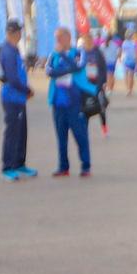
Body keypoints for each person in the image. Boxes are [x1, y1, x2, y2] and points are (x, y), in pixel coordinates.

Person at [46, 27, 95, 177]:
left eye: (60, 37)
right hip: (58, 102)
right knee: (61, 137)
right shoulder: (53, 55)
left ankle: (85, 166)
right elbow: (49, 71)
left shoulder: (78, 52)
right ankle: (63, 166)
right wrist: (66, 69)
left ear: (68, 37)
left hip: (75, 102)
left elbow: (78, 67)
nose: (58, 41)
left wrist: (63, 56)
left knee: (80, 135)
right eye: (56, 38)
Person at [0, 22, 37, 180]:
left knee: (21, 131)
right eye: (19, 31)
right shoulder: (7, 51)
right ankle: (7, 166)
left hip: (18, 97)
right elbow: (12, 78)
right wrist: (27, 90)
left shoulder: (14, 49)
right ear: (13, 33)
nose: (21, 33)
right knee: (12, 132)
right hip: (12, 97)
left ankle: (19, 163)